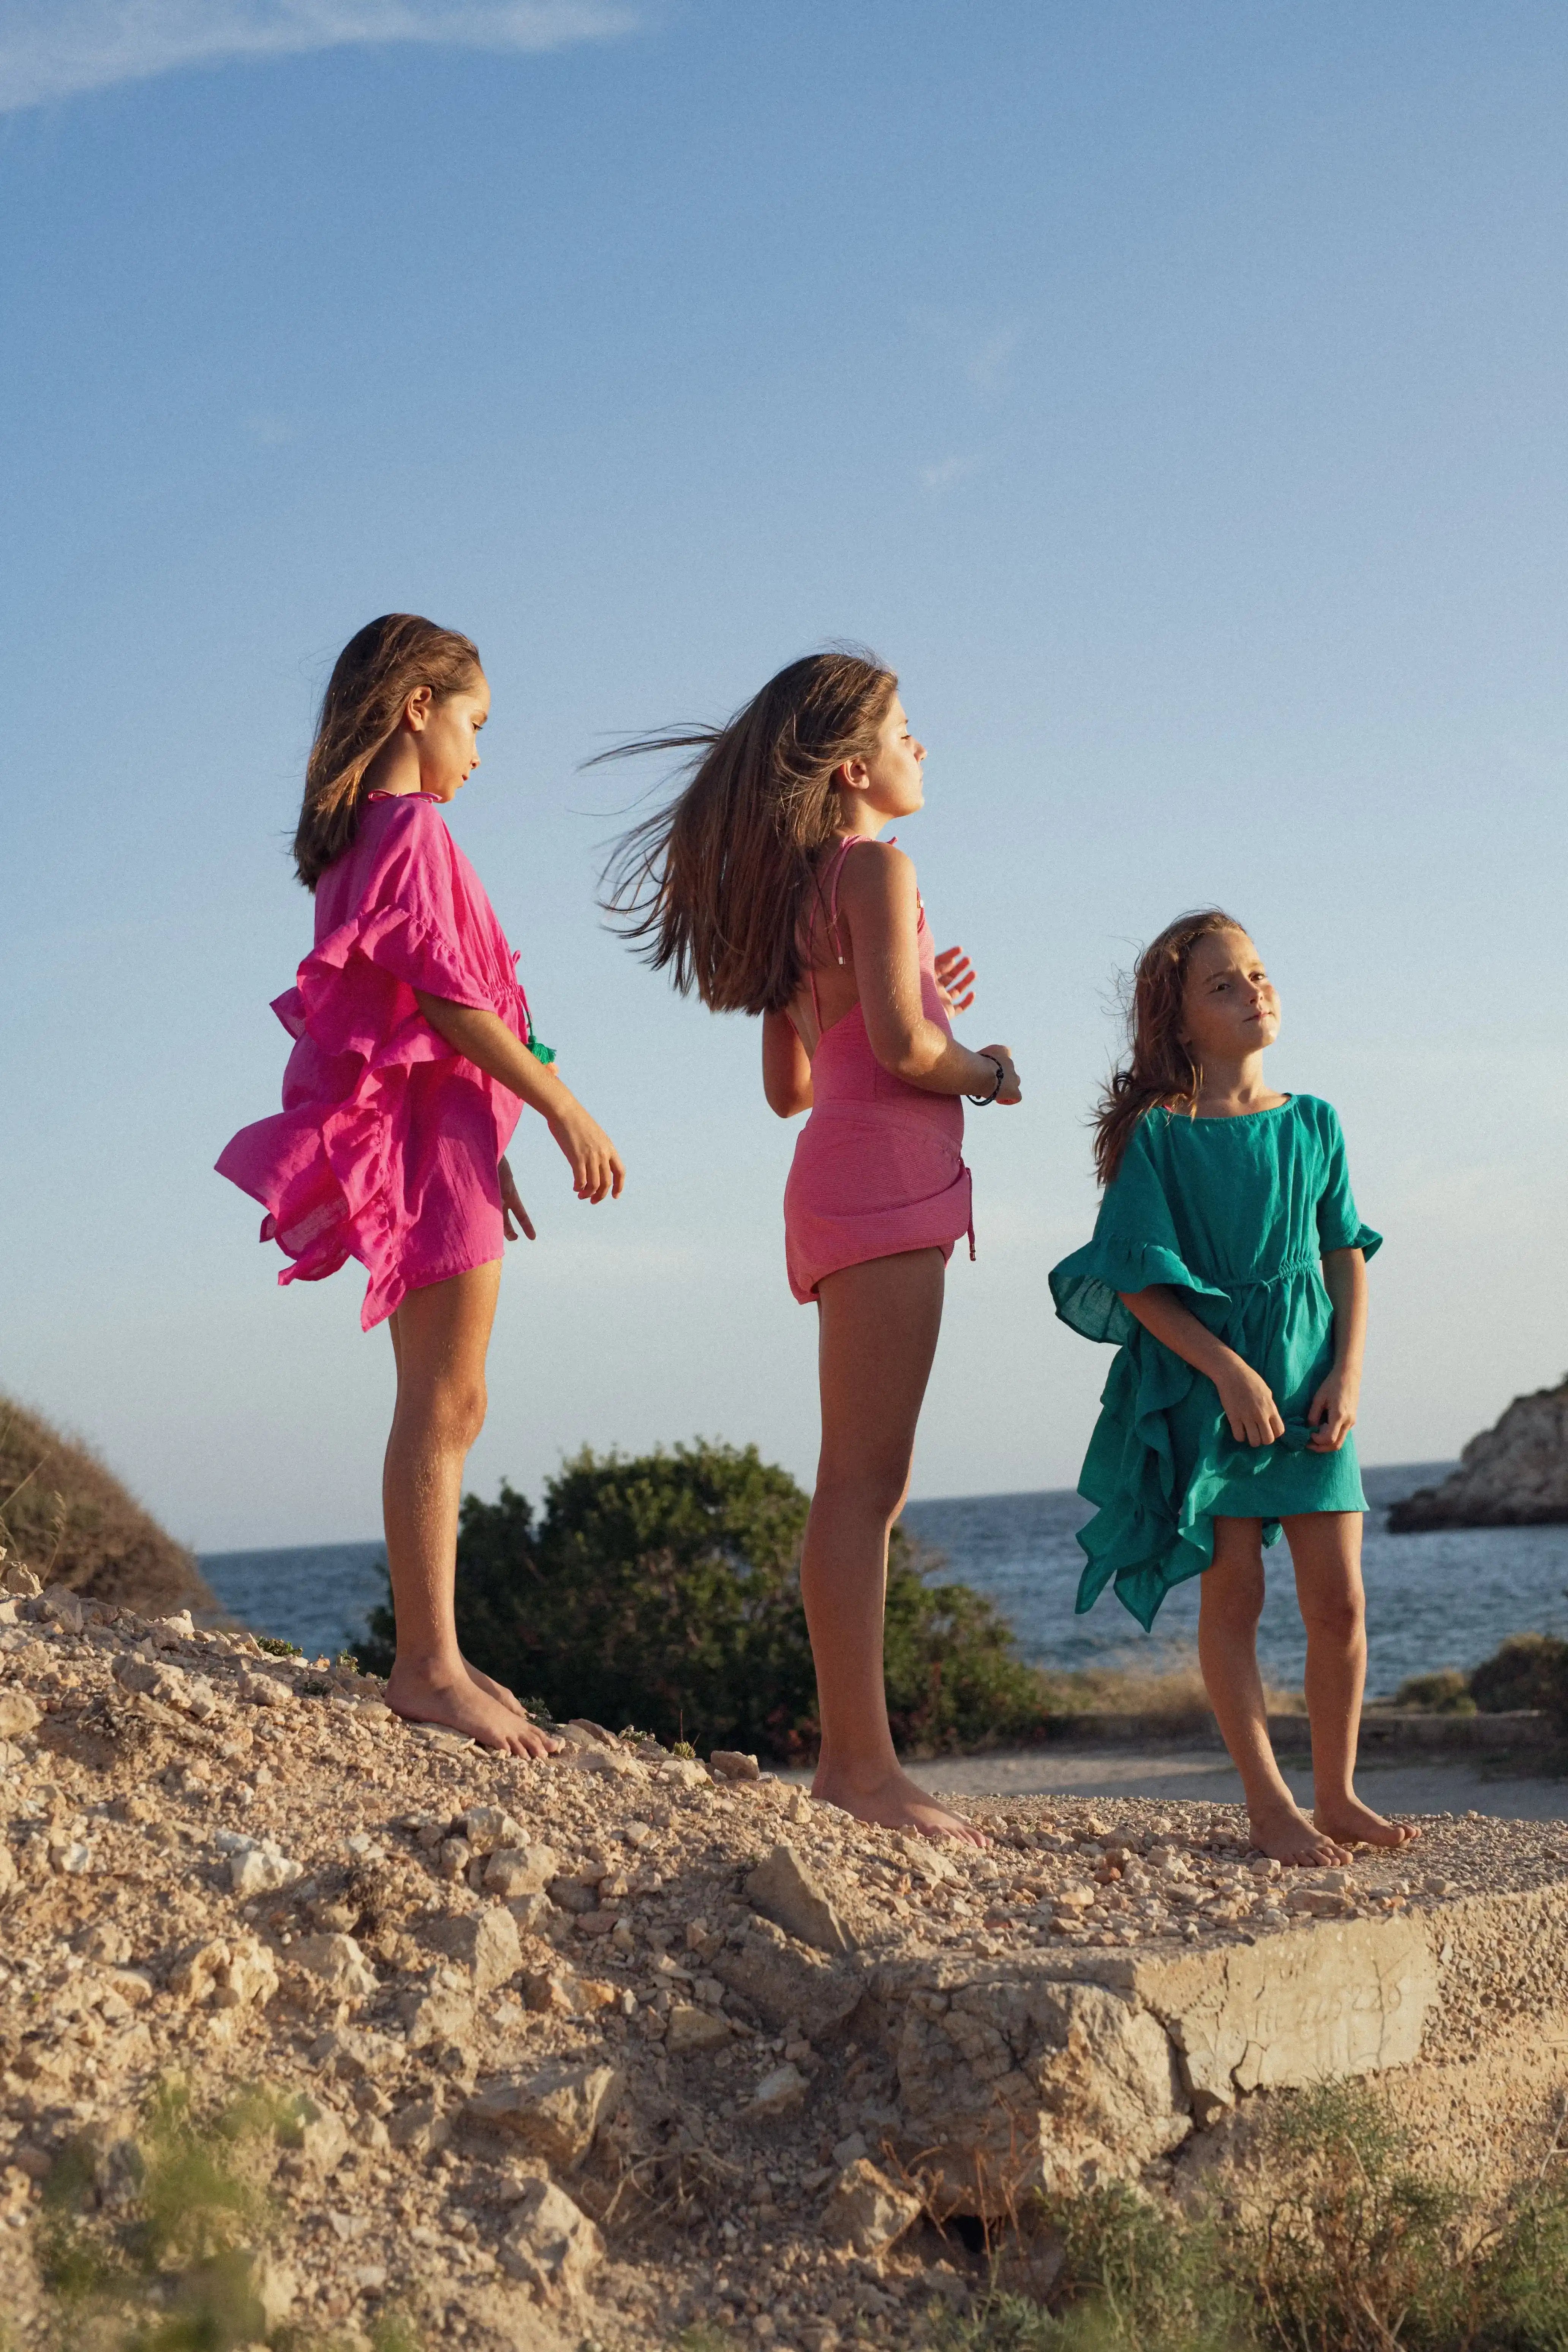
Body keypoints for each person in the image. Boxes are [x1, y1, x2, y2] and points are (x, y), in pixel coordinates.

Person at [601, 651, 1021, 1841]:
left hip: (835, 1176)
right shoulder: (880, 867)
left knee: (856, 1482)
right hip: (886, 1178)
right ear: (853, 768)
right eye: (905, 731)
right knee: (864, 1488)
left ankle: (859, 1762)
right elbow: (902, 1055)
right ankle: (859, 1770)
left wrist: (917, 997)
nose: (921, 748)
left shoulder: (800, 898)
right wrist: (988, 1069)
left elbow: (795, 1082)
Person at [217, 614, 624, 1754]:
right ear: (417, 707)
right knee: (442, 1401)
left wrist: (492, 1147)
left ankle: (435, 1647)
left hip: (442, 1135)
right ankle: (427, 1664)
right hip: (423, 1135)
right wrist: (561, 1107)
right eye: (475, 724)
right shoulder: (407, 829)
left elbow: (413, 1009)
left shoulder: (365, 838)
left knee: (455, 1398)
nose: (480, 755)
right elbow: (451, 1003)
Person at [1049, 908, 1416, 1864]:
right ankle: (1267, 1803)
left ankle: (1335, 1795)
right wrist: (1226, 1370)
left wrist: (1348, 1371)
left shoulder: (1316, 1122)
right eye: (1224, 983)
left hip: (1313, 1383)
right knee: (1237, 1596)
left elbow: (1346, 1256)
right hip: (1215, 1387)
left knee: (1339, 1602)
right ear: (1179, 1022)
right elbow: (1134, 1280)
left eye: (1259, 973)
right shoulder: (1161, 1137)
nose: (1254, 990)